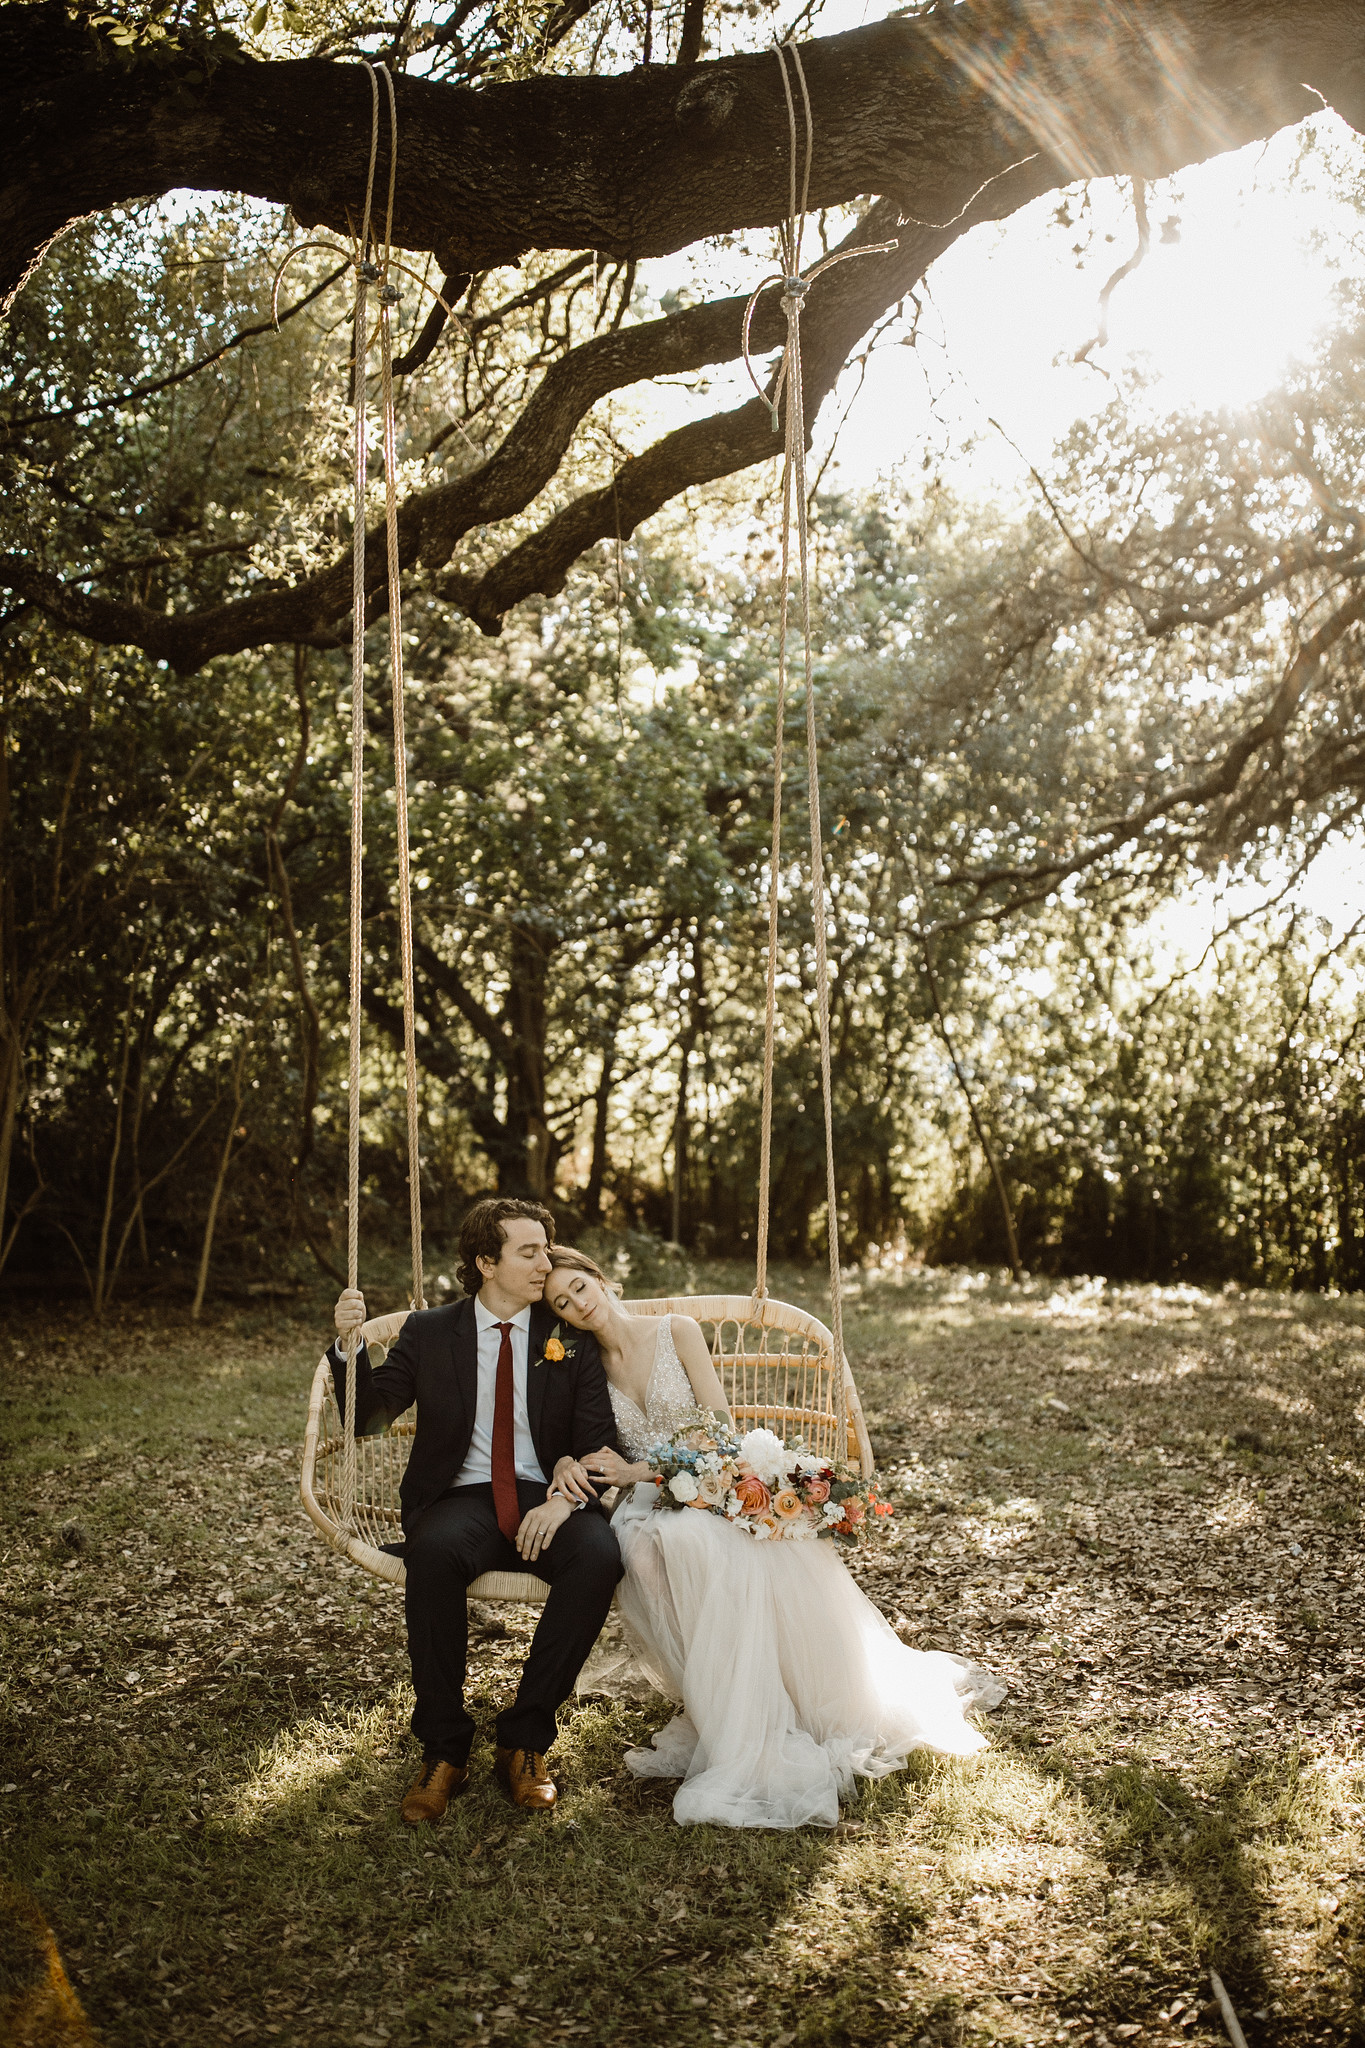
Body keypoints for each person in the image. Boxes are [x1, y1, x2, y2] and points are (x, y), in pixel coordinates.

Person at [543, 1247, 989, 1829]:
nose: (579, 1304)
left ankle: (767, 1706)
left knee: (700, 1543)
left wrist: (649, 1473)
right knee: (643, 1553)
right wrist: (570, 1467)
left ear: (599, 1279)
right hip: (646, 1501)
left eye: (580, 1287)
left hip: (710, 1479)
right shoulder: (585, 1369)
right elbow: (577, 1438)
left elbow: (721, 1432)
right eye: (562, 1304)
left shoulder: (676, 1332)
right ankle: (717, 1706)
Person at [329, 1199, 622, 1822]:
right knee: (433, 1553)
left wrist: (567, 1497)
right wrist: (350, 1347)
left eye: (547, 1248)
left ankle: (525, 1739)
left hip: (550, 1497)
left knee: (599, 1558)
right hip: (462, 1499)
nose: (547, 1262)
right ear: (486, 1262)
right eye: (529, 1252)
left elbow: (600, 1443)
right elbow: (369, 1419)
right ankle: (443, 1748)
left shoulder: (566, 1336)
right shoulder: (431, 1332)